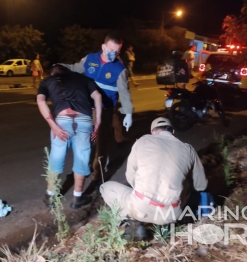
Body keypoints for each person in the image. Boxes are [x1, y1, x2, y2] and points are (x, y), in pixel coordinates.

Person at [100, 117, 208, 235]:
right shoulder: (189, 149)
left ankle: (132, 223)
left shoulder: (142, 141)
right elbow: (201, 185)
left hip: (140, 208)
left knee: (105, 187)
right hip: (170, 214)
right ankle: (168, 225)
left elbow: (130, 176)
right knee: (185, 182)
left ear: (153, 132)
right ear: (172, 132)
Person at [60, 33, 134, 188]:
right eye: (111, 50)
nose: (113, 54)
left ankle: (97, 175)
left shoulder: (119, 69)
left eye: (117, 51)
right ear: (103, 47)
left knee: (101, 143)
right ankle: (81, 169)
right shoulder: (90, 59)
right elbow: (74, 68)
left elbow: (124, 92)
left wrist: (128, 113)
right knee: (82, 141)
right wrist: (59, 67)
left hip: (105, 110)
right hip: (85, 107)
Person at [37, 64, 102, 209]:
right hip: (84, 121)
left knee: (56, 157)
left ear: (53, 74)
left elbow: (41, 100)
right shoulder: (83, 78)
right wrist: (98, 122)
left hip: (62, 122)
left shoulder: (48, 81)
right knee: (82, 158)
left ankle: (50, 196)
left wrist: (53, 126)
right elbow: (97, 96)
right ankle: (77, 198)